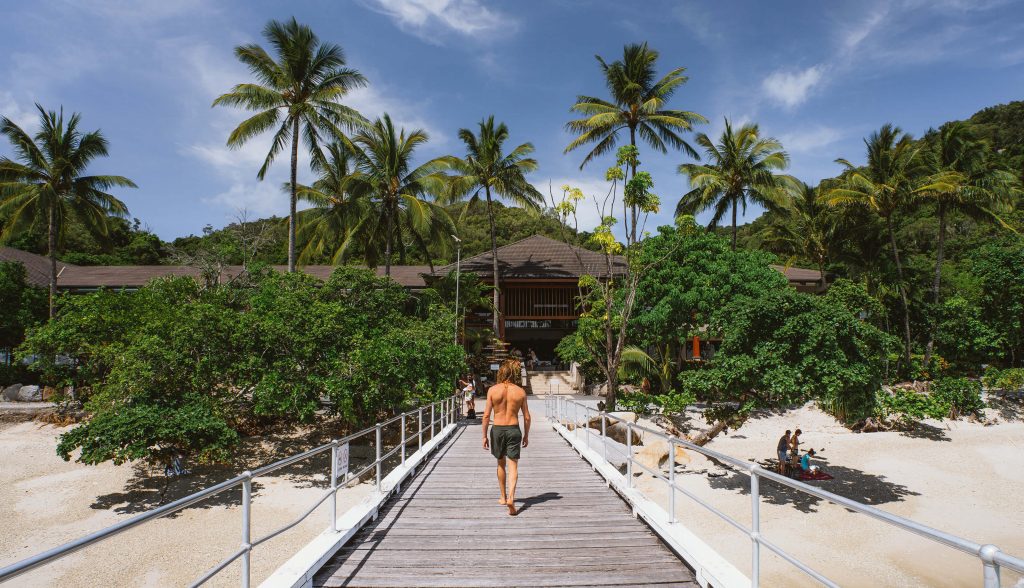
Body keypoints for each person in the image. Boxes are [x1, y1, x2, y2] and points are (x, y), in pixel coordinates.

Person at [482, 359, 531, 516]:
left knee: (500, 463)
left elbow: (486, 416)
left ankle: (503, 497)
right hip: (513, 429)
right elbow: (527, 417)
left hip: (497, 429)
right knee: (513, 466)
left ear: (500, 373)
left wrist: (484, 436)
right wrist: (526, 435)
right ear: (515, 374)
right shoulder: (520, 392)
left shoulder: (492, 390)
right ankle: (511, 497)